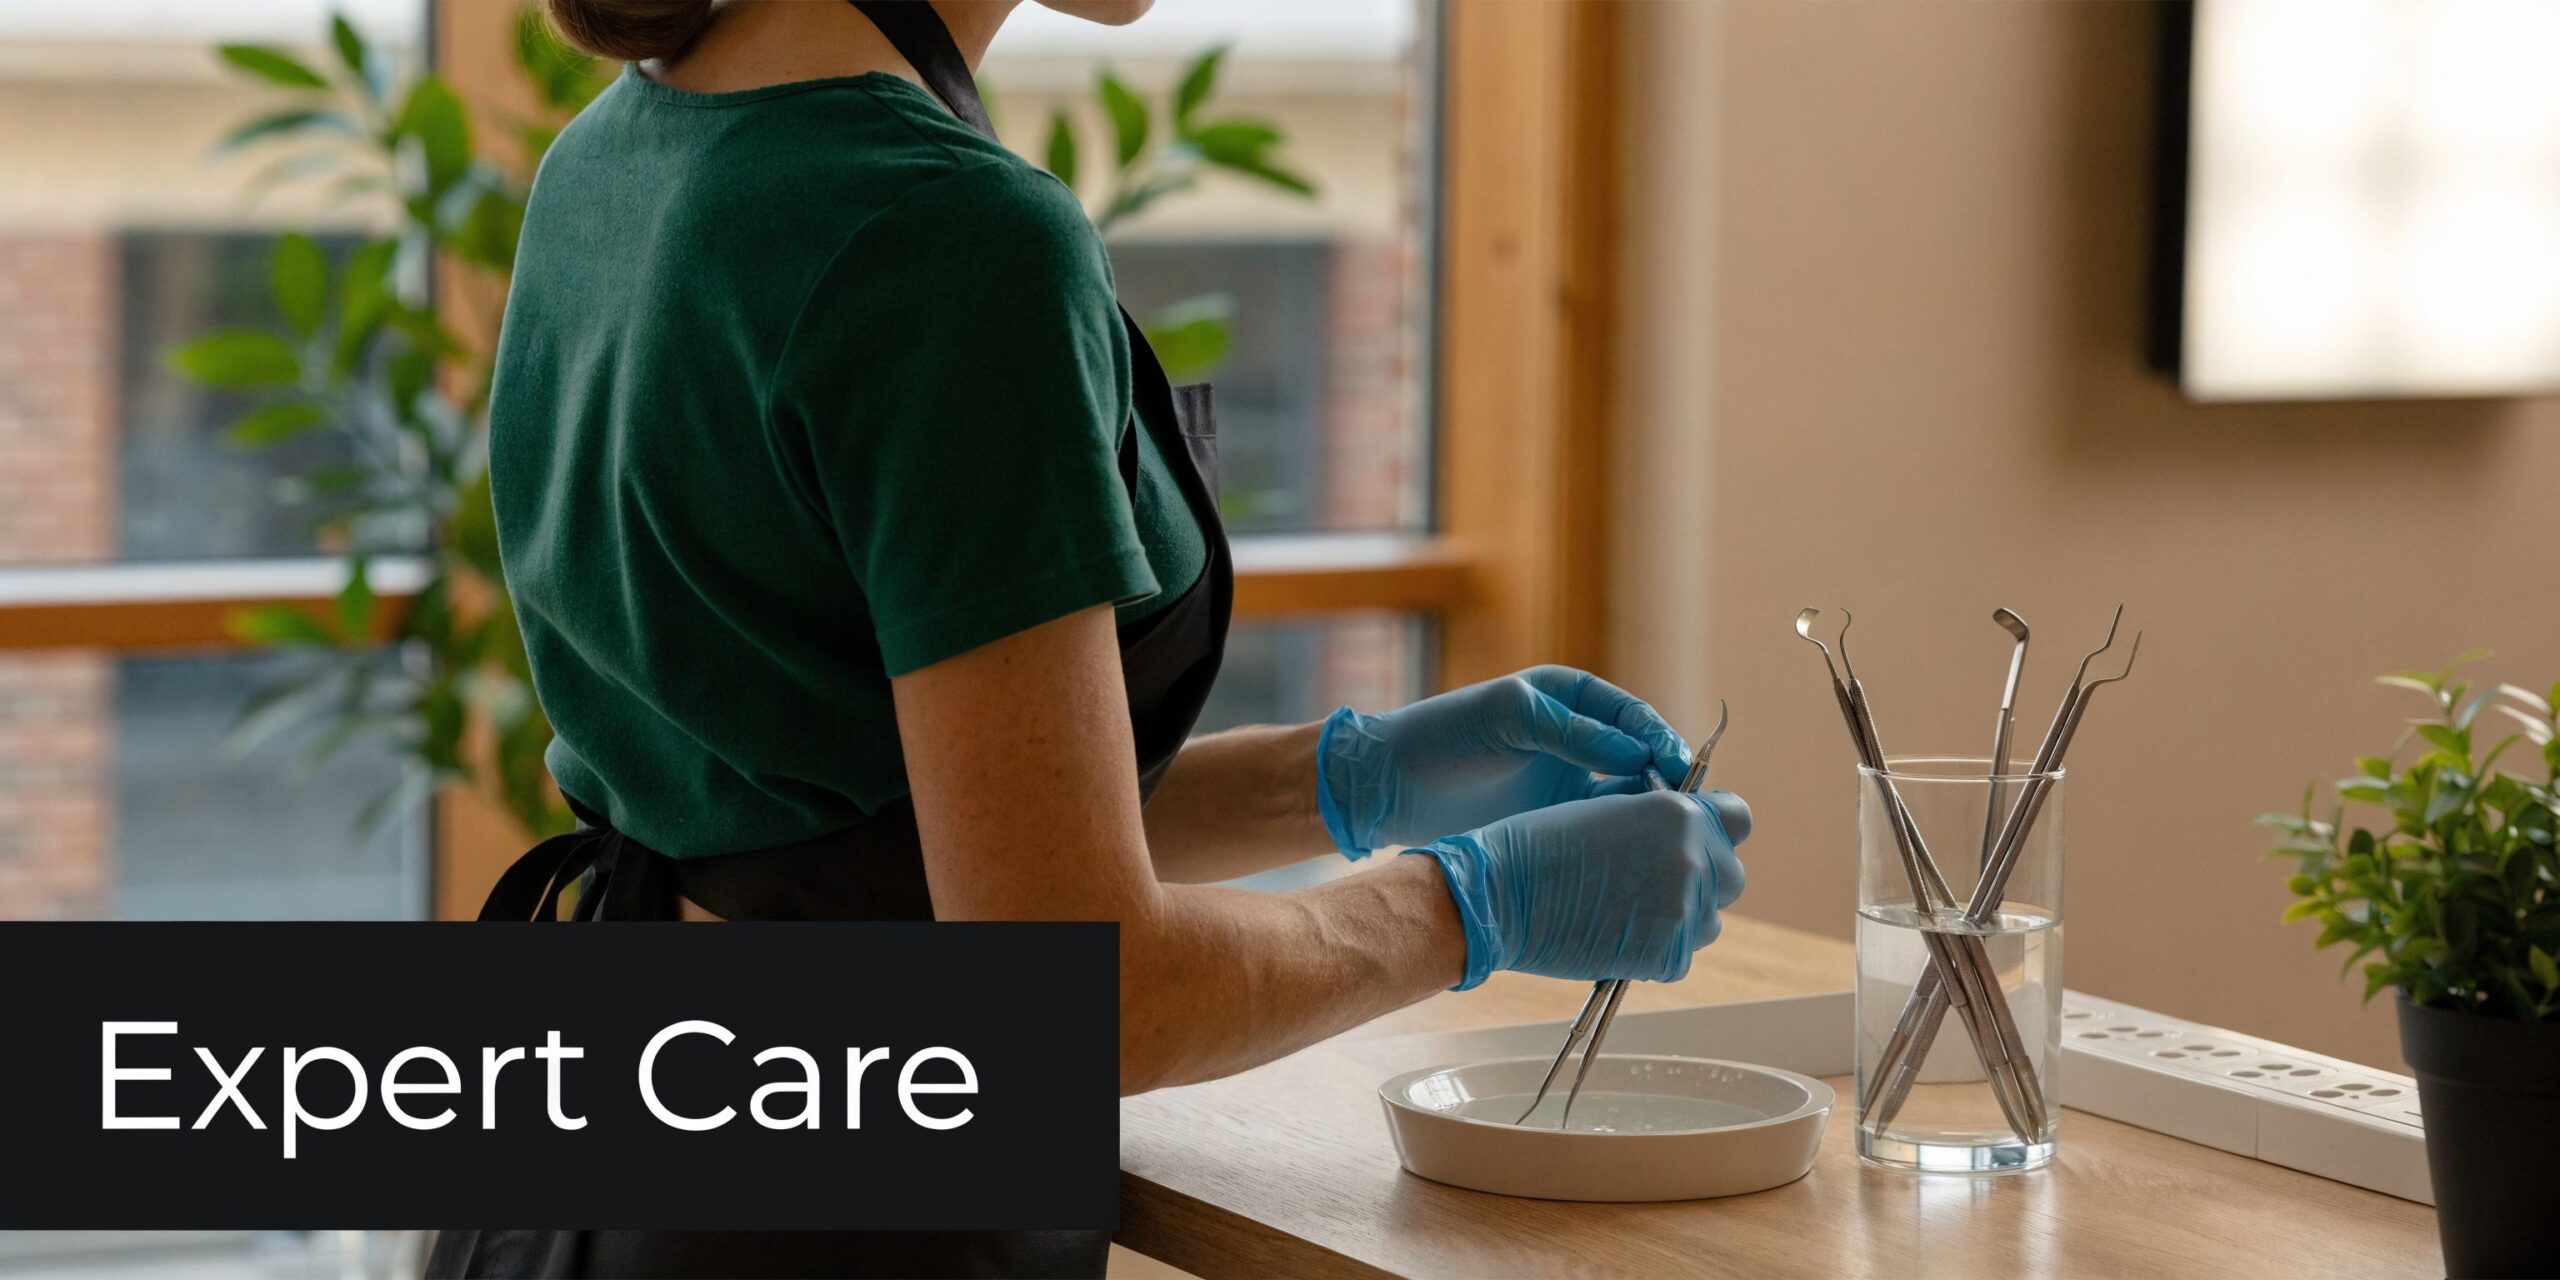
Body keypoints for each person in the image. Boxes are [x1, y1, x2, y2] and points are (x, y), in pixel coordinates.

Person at [430, 2, 1752, 1276]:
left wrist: (1347, 780)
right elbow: (1086, 998)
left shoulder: (613, 156)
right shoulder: (948, 234)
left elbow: (886, 847)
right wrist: (1464, 902)